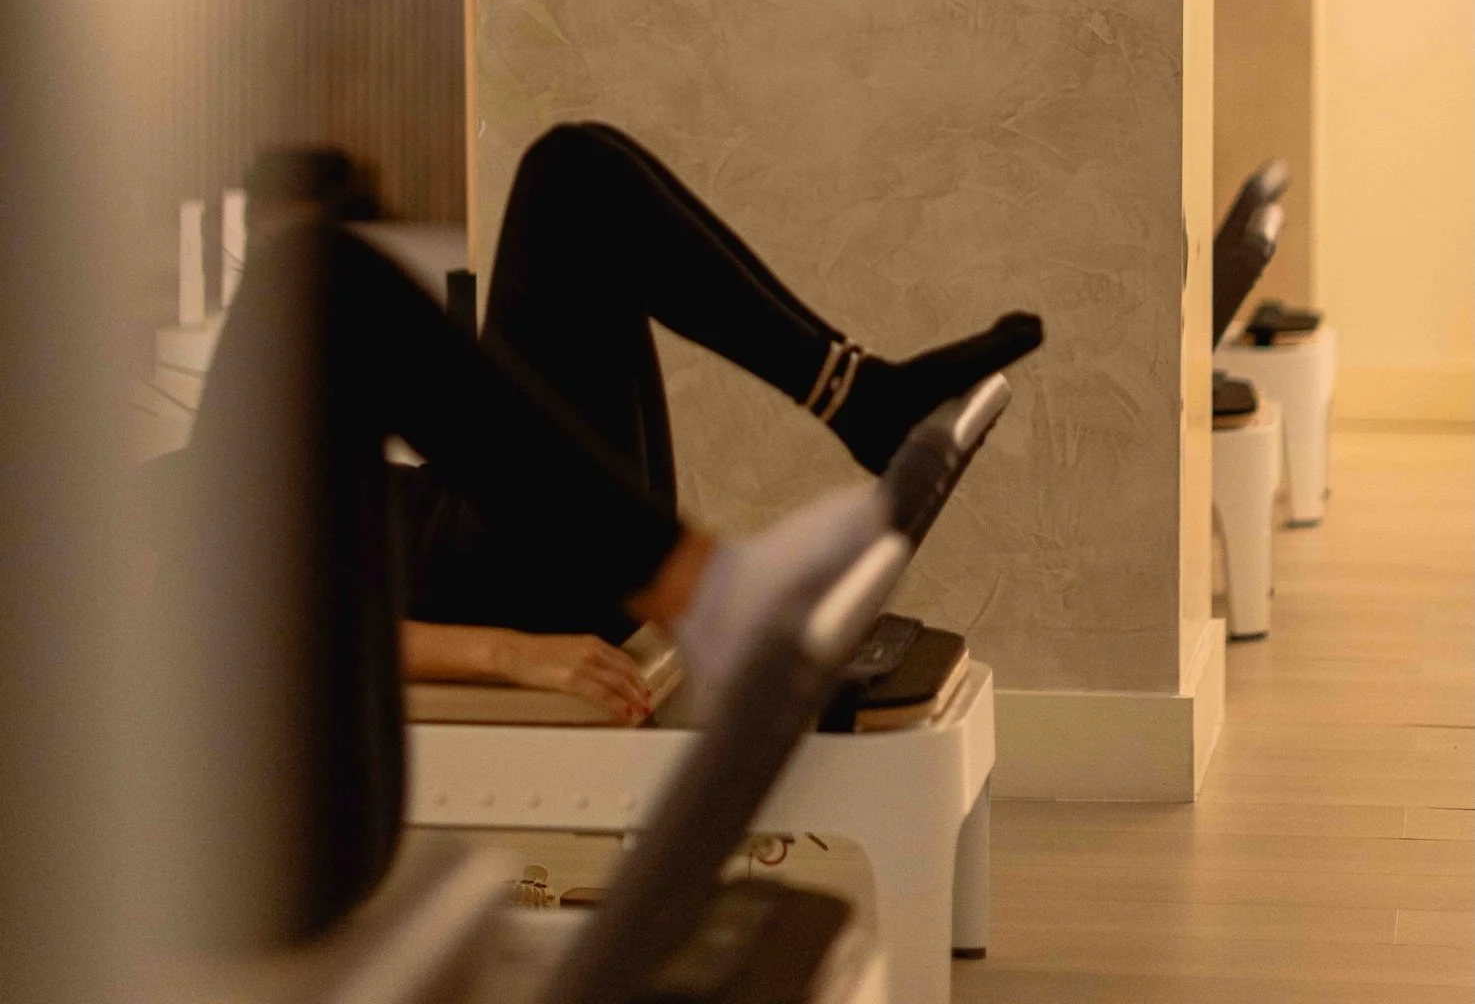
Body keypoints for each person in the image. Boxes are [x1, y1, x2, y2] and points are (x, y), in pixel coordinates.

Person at [152, 124, 1042, 949]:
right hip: (490, 578)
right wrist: (504, 653)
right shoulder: (76, 550)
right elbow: (227, 630)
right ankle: (737, 561)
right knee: (377, 250)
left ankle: (854, 406)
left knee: (574, 172)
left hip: (521, 537)